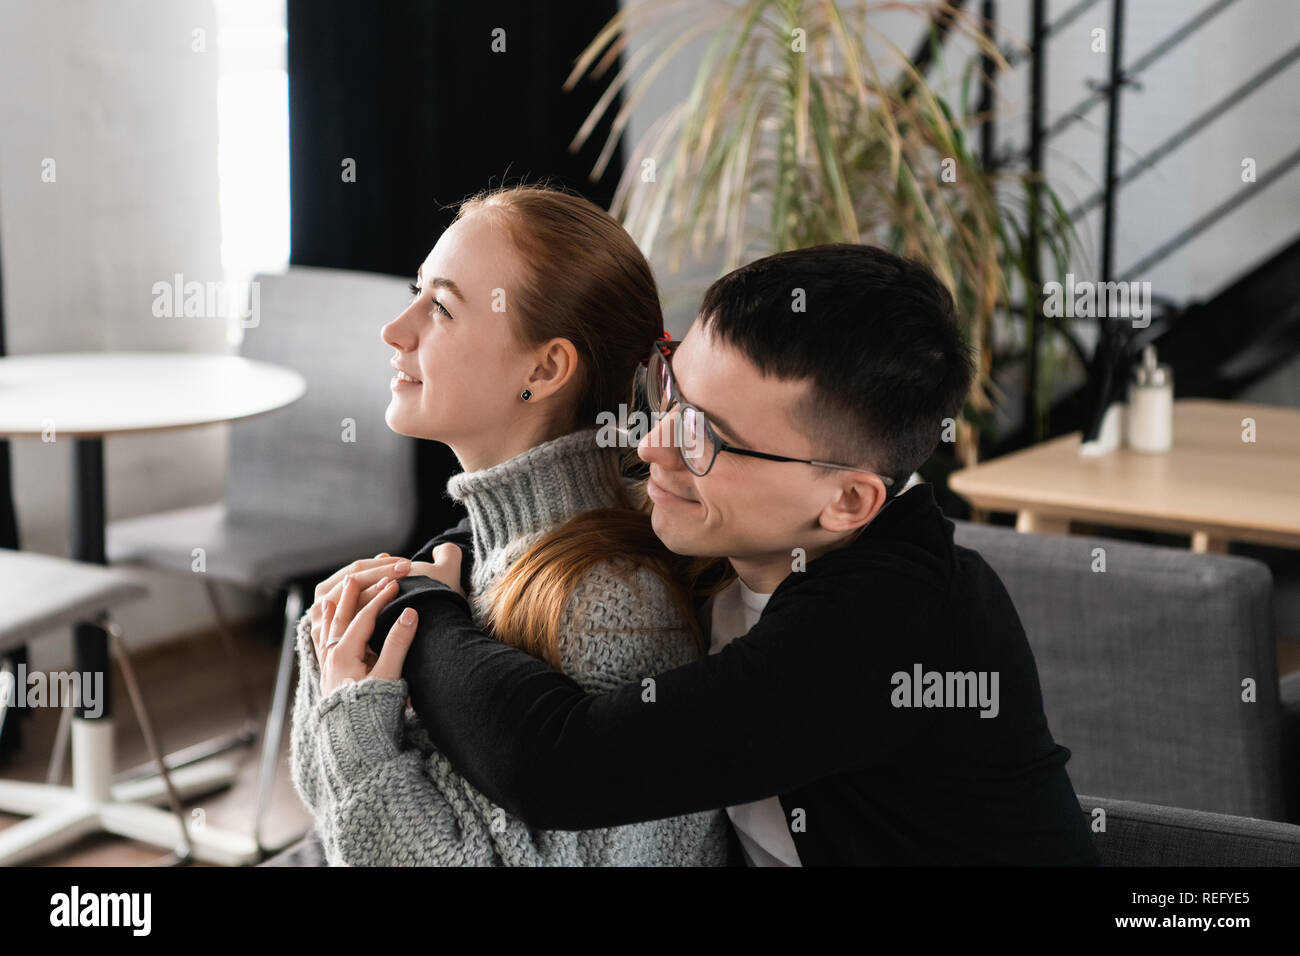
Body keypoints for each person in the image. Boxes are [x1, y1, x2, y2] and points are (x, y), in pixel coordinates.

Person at [322, 242, 1102, 866]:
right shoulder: (737, 524)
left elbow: (558, 768)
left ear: (849, 500)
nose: (654, 443)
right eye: (669, 388)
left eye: (706, 436)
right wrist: (435, 563)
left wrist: (422, 610)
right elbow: (527, 523)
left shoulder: (889, 627)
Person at [286, 184, 732, 866]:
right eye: (417, 290)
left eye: (440, 307)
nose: (394, 329)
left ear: (544, 368)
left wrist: (353, 724)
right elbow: (337, 820)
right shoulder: (470, 560)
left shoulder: (612, 605)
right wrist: (331, 676)